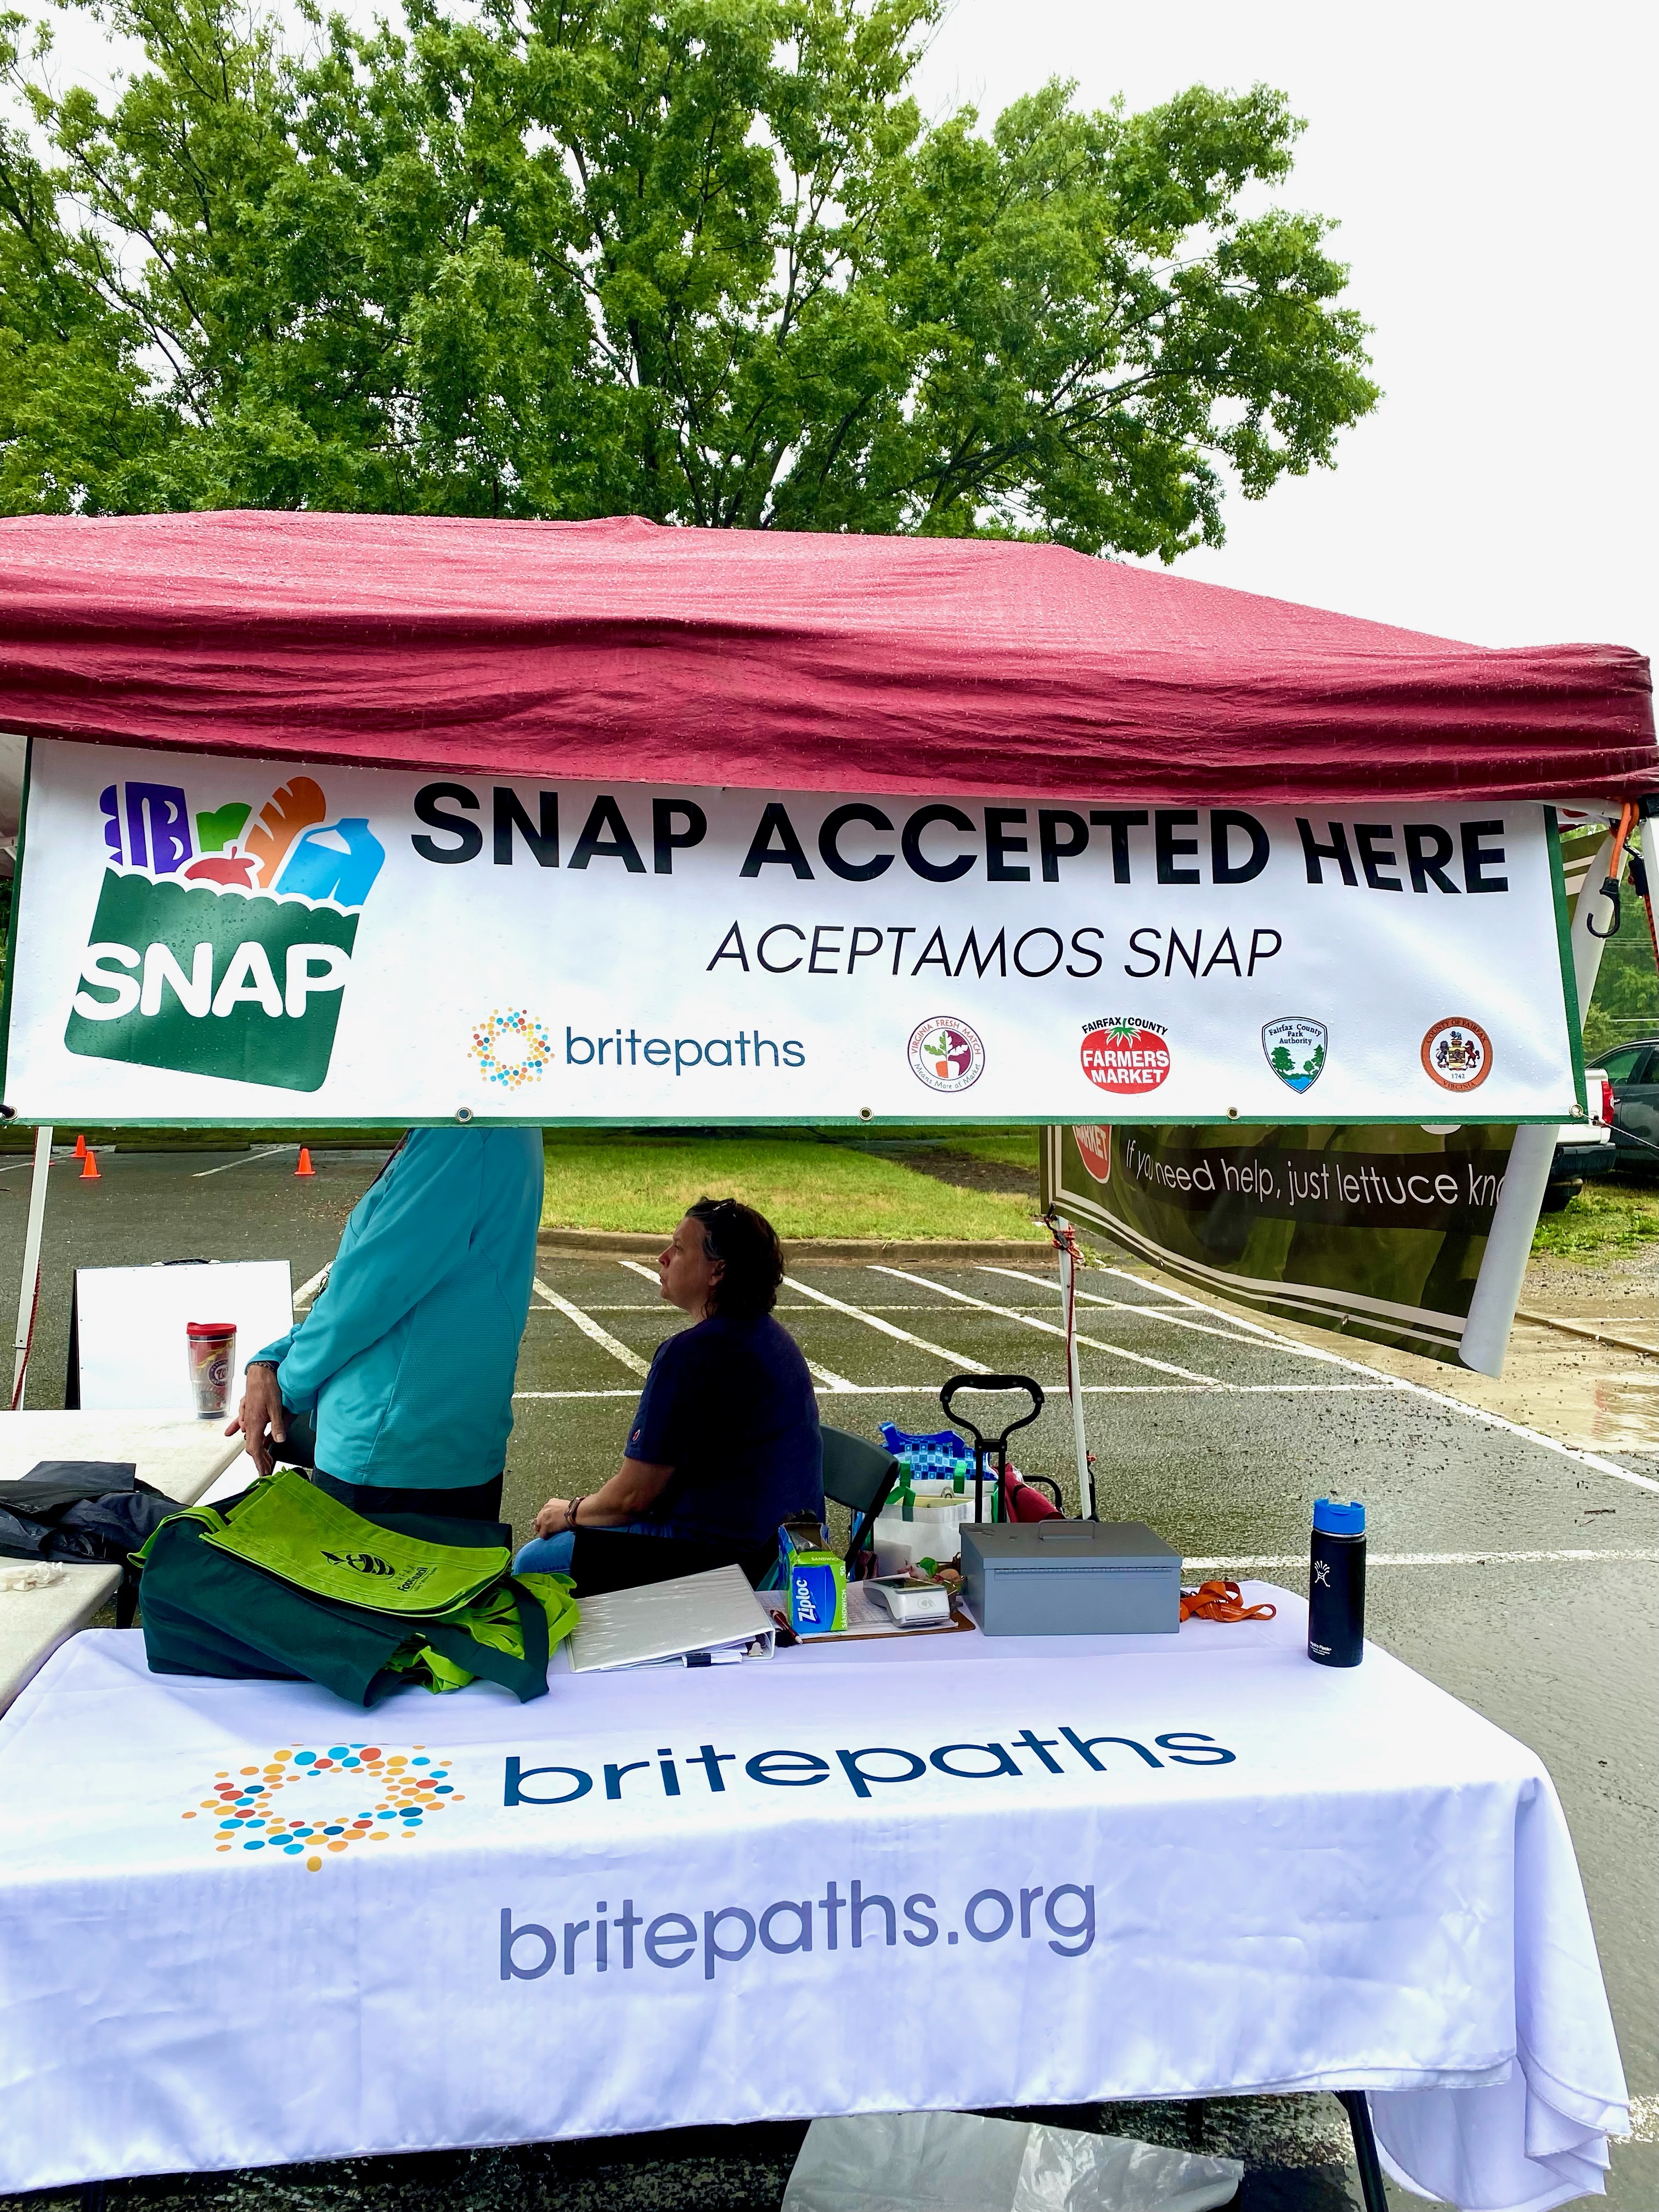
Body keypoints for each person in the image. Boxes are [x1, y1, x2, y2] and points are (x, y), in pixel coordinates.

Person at [228, 1125, 544, 1522]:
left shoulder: (461, 1131)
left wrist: (285, 1389)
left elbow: (369, 1293)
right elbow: (372, 1288)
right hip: (437, 1447)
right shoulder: (496, 1124)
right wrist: (272, 1360)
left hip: (391, 1456)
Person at [517, 1197, 822, 1583]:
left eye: (678, 1249)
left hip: (723, 1559)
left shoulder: (692, 1355)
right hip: (779, 1548)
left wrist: (571, 1512)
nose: (662, 1257)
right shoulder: (771, 1337)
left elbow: (633, 1498)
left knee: (534, 1564)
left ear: (718, 1272)